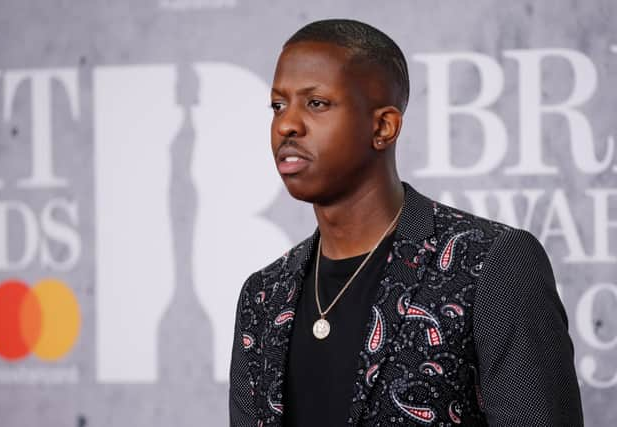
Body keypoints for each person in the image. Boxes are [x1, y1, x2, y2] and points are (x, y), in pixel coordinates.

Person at [229, 18, 583, 426]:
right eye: (278, 105)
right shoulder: (262, 296)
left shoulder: (490, 264)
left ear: (383, 127)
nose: (286, 124)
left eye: (316, 103)